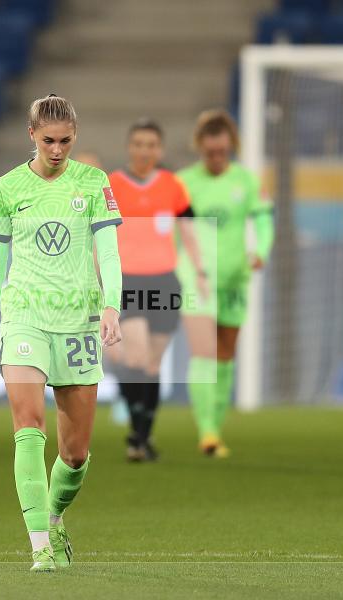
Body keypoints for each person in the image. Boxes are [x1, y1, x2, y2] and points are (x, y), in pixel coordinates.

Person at [0, 94, 123, 572]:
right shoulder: (6, 188)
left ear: (74, 137)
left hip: (77, 322)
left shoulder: (94, 183)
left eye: (65, 141)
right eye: (47, 140)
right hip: (25, 319)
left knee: (75, 453)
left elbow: (112, 253)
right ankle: (40, 544)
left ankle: (54, 516)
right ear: (31, 135)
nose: (56, 150)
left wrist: (111, 307)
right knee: (28, 427)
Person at [105, 118, 207, 462]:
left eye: (151, 144)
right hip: (128, 280)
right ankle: (136, 434)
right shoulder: (112, 184)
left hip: (165, 280)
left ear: (159, 149)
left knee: (151, 365)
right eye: (138, 144)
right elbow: (98, 236)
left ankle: (142, 436)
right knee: (133, 357)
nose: (144, 150)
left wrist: (202, 271)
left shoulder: (172, 186)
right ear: (129, 147)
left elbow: (188, 231)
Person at [176, 109, 273, 458]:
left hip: (234, 277)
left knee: (225, 353)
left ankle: (216, 426)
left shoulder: (247, 181)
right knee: (204, 351)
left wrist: (260, 250)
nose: (216, 158)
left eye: (222, 152)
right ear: (199, 148)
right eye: (210, 153)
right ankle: (208, 431)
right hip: (196, 278)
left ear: (232, 147)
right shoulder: (183, 183)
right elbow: (174, 230)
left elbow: (263, 221)